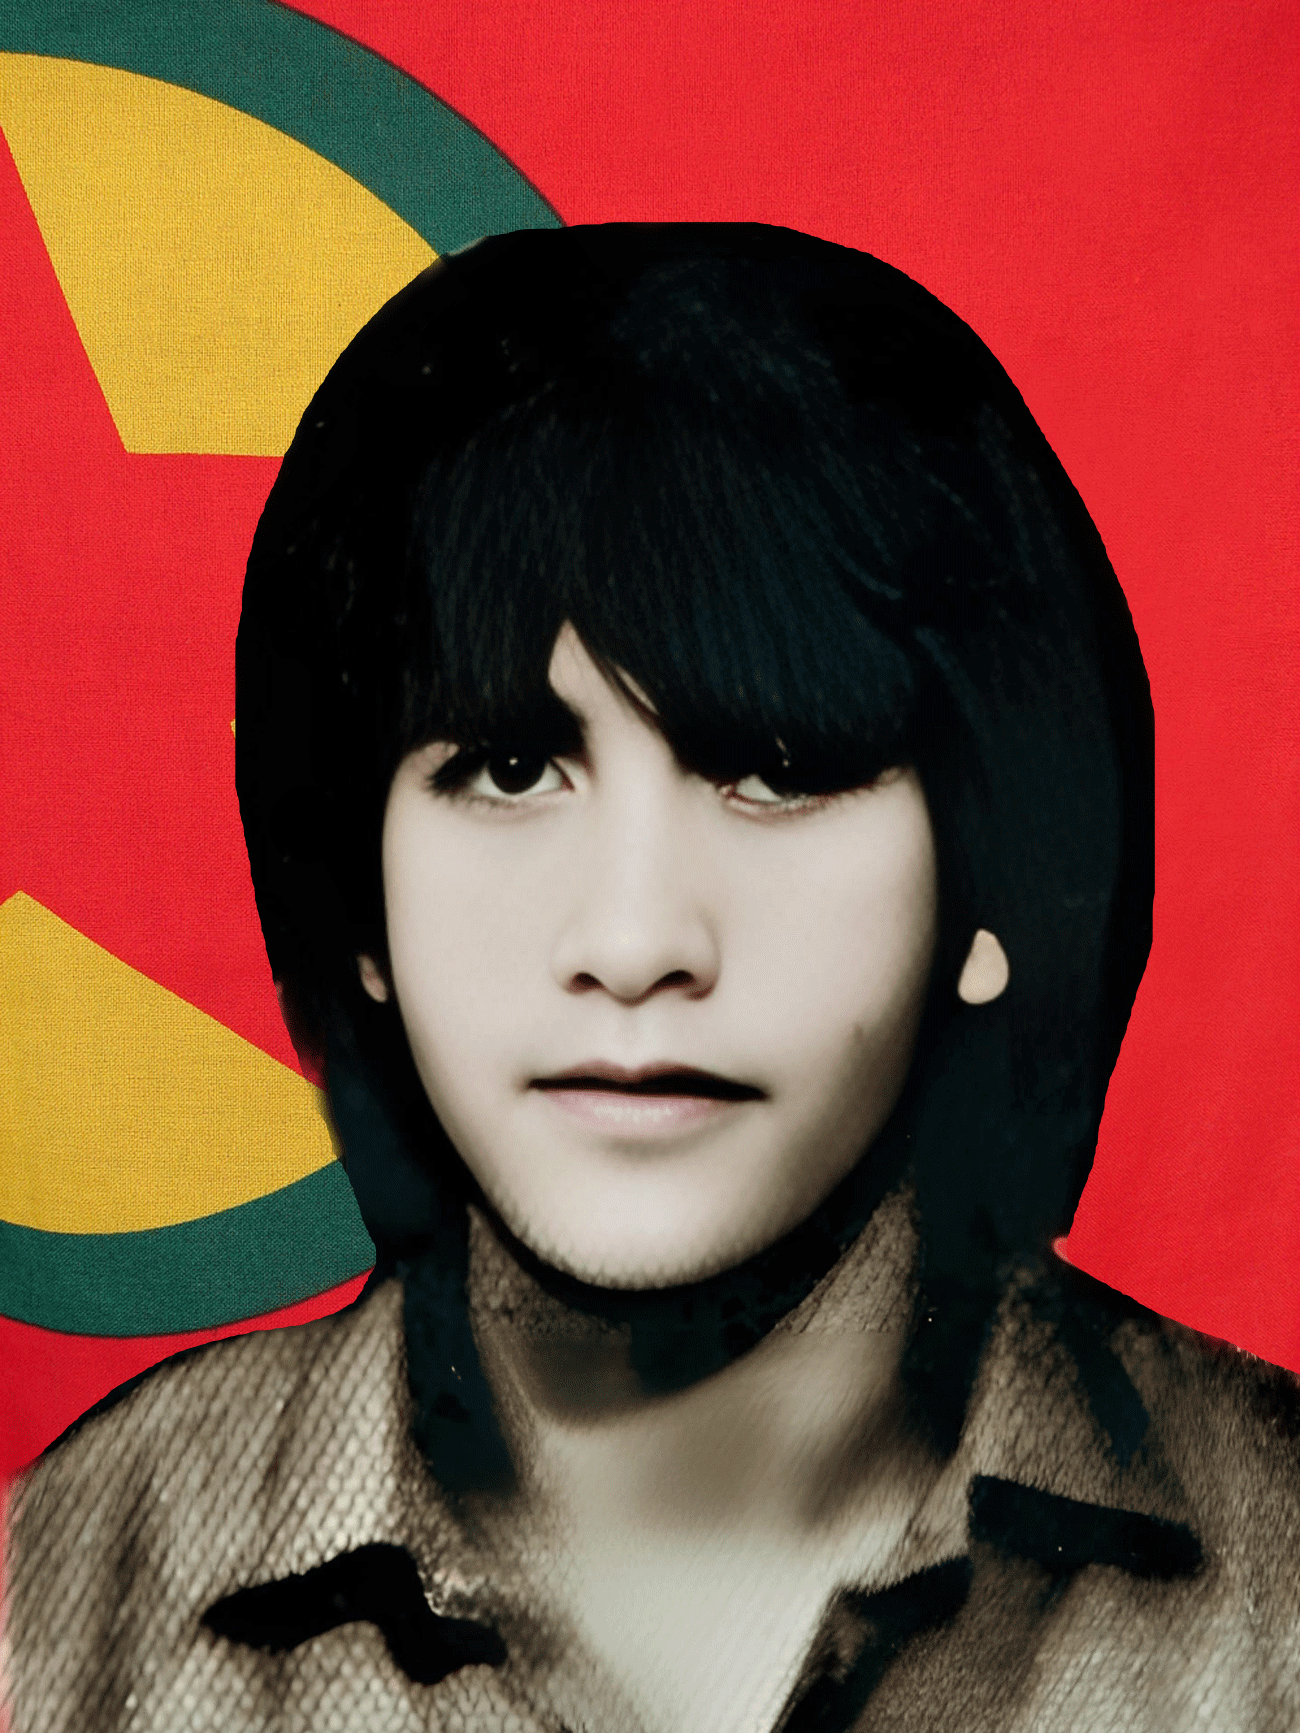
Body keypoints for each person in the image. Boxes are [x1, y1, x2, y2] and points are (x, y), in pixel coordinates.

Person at [5, 223, 1298, 1733]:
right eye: (507, 768)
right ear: (359, 898)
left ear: (994, 884)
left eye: (776, 766)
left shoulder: (1276, 1581)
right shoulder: (69, 1589)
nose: (631, 945)